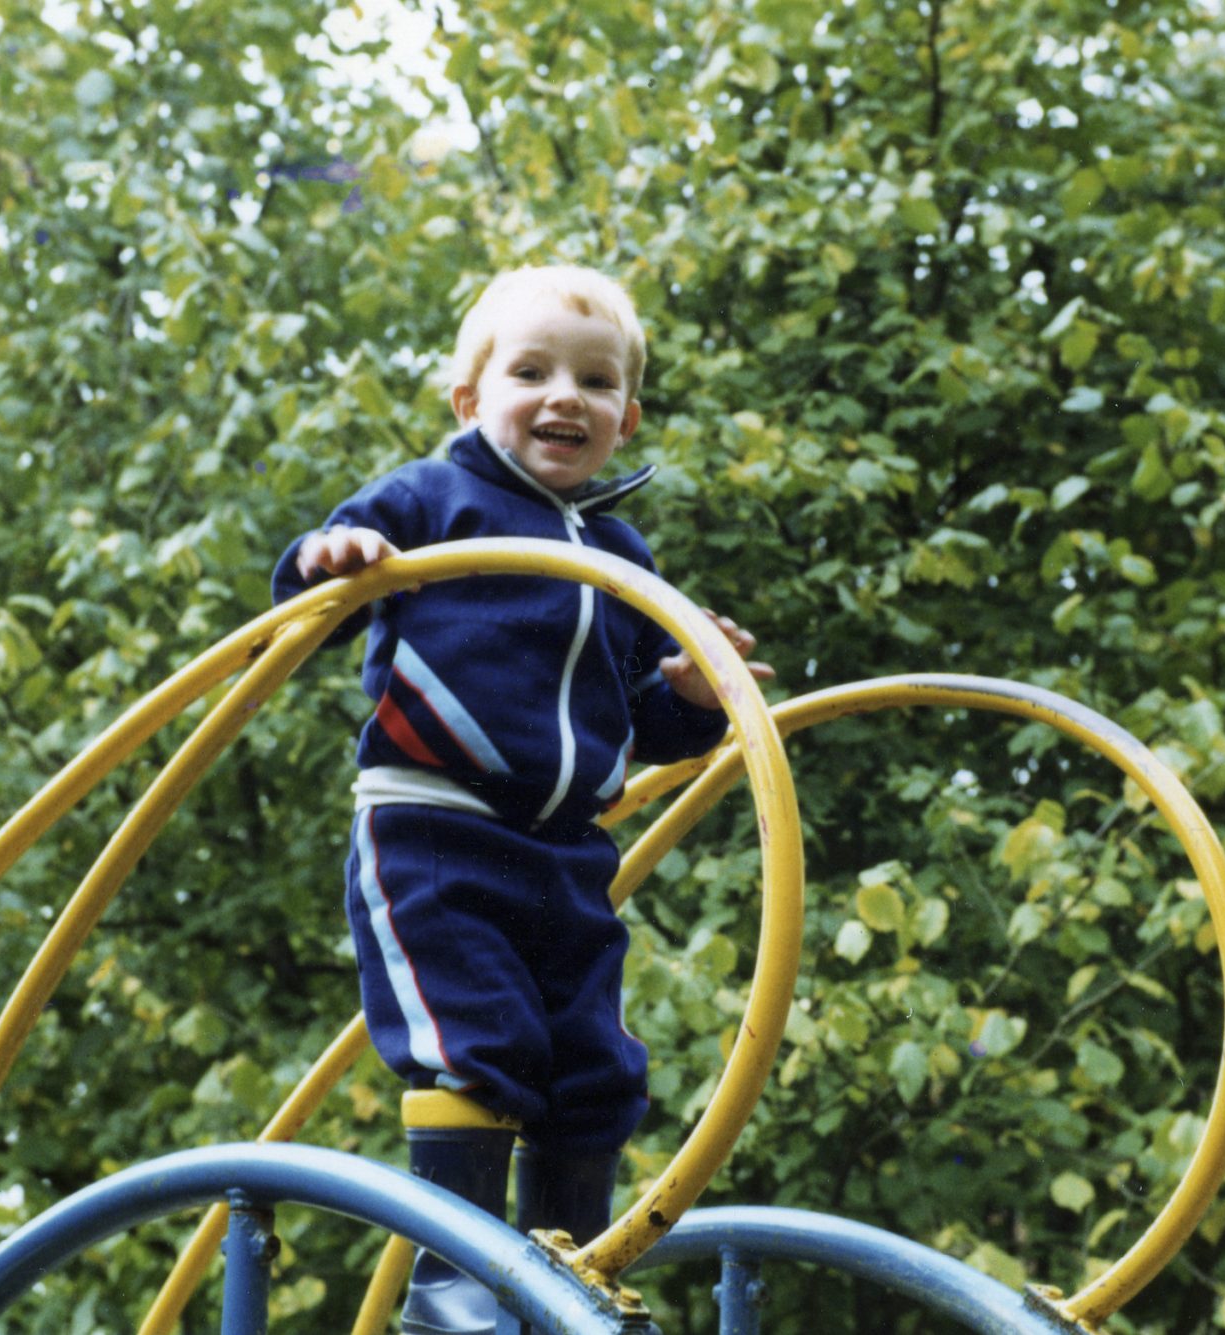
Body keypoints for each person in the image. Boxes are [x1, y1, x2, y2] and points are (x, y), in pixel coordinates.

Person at [270, 265, 771, 1333]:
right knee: (476, 1038)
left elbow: (646, 723)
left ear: (625, 417)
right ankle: (456, 1284)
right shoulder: (433, 498)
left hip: (564, 850)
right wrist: (338, 556)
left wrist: (690, 695)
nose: (563, 397)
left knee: (592, 1064)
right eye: (530, 371)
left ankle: (560, 1276)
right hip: (434, 824)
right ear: (471, 399)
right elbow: (309, 580)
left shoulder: (623, 556)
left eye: (595, 382)